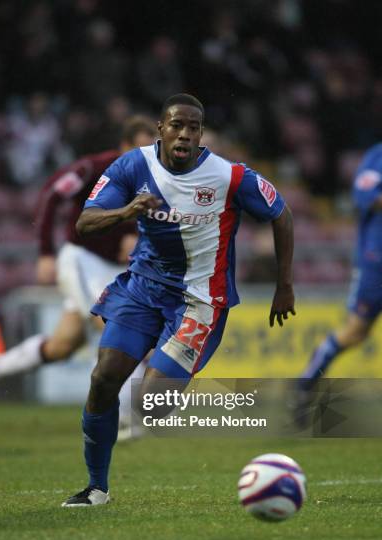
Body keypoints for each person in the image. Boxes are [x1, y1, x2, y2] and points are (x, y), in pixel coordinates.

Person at [61, 93, 295, 507]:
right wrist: (127, 210)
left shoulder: (229, 176)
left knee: (152, 408)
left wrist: (284, 284)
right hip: (142, 289)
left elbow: (281, 213)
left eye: (193, 127)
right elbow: (84, 222)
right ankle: (97, 488)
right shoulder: (134, 165)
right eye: (177, 126)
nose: (184, 134)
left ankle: (235, 408)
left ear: (201, 134)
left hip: (198, 301)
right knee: (102, 381)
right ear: (161, 129)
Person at [0, 116, 157, 426]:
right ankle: (127, 418)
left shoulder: (158, 178)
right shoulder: (95, 167)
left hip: (116, 269)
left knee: (63, 345)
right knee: (120, 325)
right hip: (82, 260)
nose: (144, 155)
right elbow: (52, 194)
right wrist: (45, 252)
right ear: (124, 146)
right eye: (138, 148)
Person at [296, 143, 382, 423]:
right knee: (355, 331)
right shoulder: (377, 156)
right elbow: (366, 196)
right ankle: (304, 383)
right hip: (376, 261)